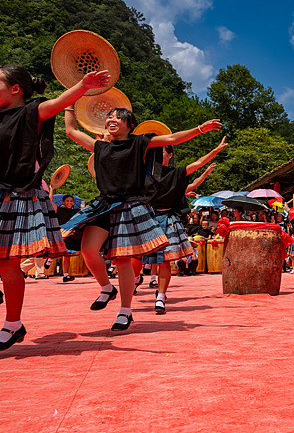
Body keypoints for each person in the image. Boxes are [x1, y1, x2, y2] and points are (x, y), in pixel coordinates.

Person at [62, 102, 221, 331]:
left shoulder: (139, 143)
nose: (111, 120)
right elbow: (71, 131)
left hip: (129, 206)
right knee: (88, 249)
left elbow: (172, 139)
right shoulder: (99, 146)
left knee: (123, 260)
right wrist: (69, 105)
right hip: (104, 204)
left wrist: (199, 129)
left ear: (130, 125)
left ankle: (125, 311)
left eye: (118, 116)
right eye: (109, 117)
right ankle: (107, 288)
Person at [0, 65, 110, 350]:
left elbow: (58, 103)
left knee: (7, 262)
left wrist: (84, 85)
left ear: (16, 89)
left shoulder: (30, 112)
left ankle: (12, 324)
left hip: (16, 193)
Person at [140, 138, 226, 314]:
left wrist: (215, 151)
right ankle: (133, 283)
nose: (156, 154)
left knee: (164, 261)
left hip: (167, 218)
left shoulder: (176, 174)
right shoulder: (143, 172)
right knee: (135, 260)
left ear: (170, 155)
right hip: (146, 218)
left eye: (161, 150)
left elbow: (198, 165)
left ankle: (161, 296)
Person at [54, 195, 81, 282]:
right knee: (60, 250)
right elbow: (51, 204)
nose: (69, 203)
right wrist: (52, 189)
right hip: (61, 233)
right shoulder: (59, 210)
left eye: (71, 201)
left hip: (70, 235)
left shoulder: (76, 211)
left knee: (67, 256)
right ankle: (49, 259)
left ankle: (66, 275)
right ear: (63, 202)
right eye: (67, 201)